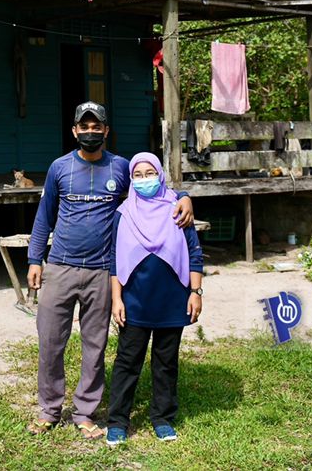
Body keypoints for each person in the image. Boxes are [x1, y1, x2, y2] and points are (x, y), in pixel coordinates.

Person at [26, 102, 194, 439]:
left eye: (96, 127)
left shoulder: (120, 168)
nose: (90, 132)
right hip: (60, 266)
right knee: (51, 341)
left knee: (95, 345)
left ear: (105, 130)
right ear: (74, 131)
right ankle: (49, 409)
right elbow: (45, 215)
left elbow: (154, 189)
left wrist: (187, 196)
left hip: (103, 270)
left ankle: (85, 411)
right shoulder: (59, 168)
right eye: (83, 127)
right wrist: (34, 258)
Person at [105, 152, 204, 447]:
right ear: (131, 179)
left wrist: (196, 292)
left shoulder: (177, 209)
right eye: (138, 174)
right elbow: (114, 259)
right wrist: (117, 299)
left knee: (166, 361)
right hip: (134, 299)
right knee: (127, 360)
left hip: (173, 297)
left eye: (150, 173)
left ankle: (162, 418)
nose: (144, 179)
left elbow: (194, 253)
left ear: (160, 175)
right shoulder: (123, 214)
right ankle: (118, 421)